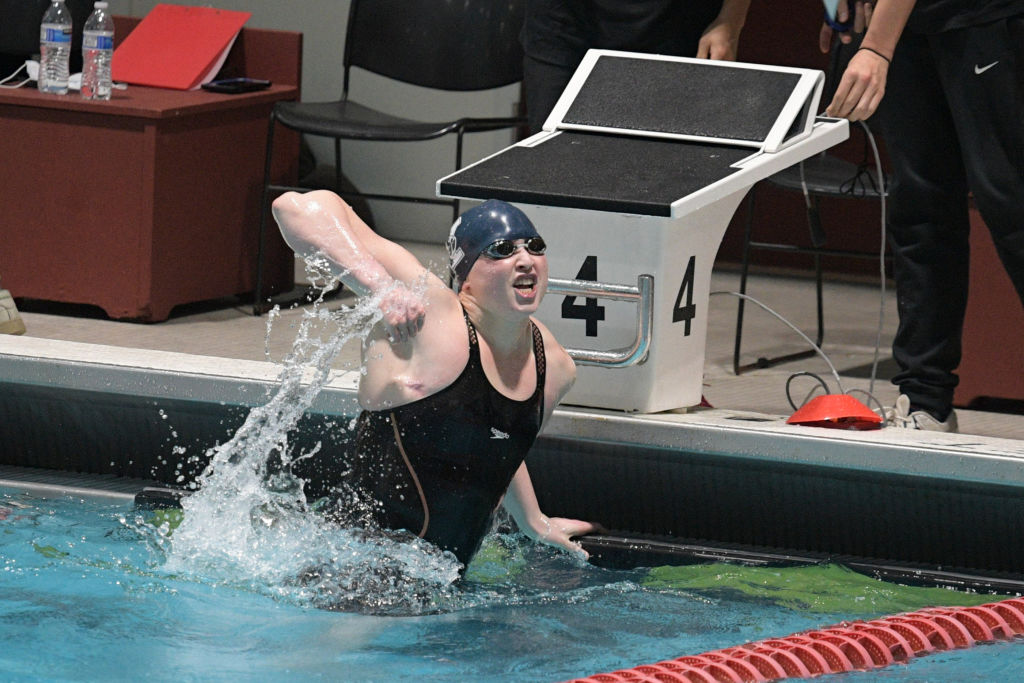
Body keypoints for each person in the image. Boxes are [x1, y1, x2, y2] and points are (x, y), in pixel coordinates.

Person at [271, 191, 601, 569]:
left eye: (535, 247)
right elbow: (294, 207)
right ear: (466, 278)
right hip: (350, 570)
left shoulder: (554, 366)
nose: (525, 260)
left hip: (445, 587)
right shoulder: (432, 319)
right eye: (502, 250)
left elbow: (500, 440)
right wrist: (380, 287)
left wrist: (534, 522)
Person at [821, 0, 1024, 431]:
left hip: (986, 19)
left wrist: (876, 47)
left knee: (1012, 206)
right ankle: (926, 400)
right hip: (907, 30)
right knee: (921, 210)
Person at [521, 0, 752, 134]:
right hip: (564, 24)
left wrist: (730, 20)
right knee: (552, 165)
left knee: (668, 173)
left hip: (677, 27)